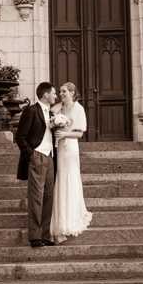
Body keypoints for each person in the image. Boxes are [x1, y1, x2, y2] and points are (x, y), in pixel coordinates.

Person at [15, 82, 57, 248]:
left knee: (48, 197)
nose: (55, 96)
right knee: (36, 198)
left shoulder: (52, 113)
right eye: (53, 93)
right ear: (45, 95)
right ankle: (35, 236)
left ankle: (46, 235)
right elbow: (20, 136)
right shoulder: (31, 111)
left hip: (50, 157)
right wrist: (31, 155)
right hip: (37, 156)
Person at [50, 82, 92, 243]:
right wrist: (56, 121)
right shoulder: (60, 108)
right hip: (60, 148)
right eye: (60, 91)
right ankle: (60, 221)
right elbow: (51, 114)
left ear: (73, 92)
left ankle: (70, 220)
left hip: (70, 148)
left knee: (69, 179)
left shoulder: (78, 109)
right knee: (61, 180)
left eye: (64, 91)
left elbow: (80, 133)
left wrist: (65, 134)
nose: (61, 94)